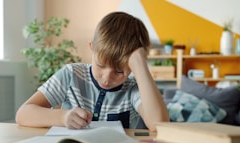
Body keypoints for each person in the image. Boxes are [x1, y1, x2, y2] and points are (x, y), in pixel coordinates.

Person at [15, 12, 169, 131]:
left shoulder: (133, 88)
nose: (107, 78)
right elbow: (23, 114)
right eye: (101, 65)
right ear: (92, 48)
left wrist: (140, 65)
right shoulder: (71, 75)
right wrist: (62, 117)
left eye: (119, 72)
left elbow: (159, 125)